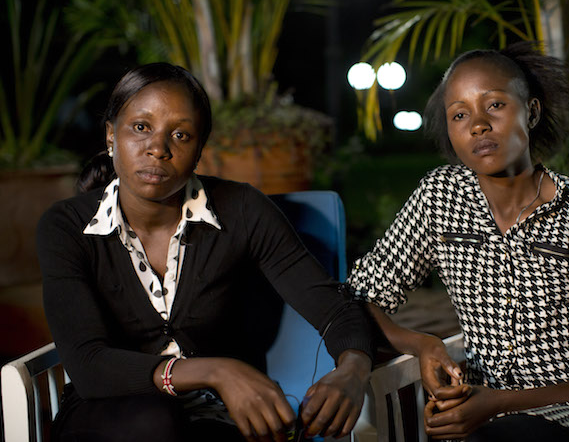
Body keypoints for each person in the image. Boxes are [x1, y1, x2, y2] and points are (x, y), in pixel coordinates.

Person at [347, 42, 569, 442]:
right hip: (486, 415)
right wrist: (421, 343)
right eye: (460, 114)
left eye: (495, 106)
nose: (478, 125)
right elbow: (360, 295)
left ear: (532, 111)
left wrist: (503, 402)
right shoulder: (440, 198)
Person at [37, 62, 373, 442]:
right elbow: (88, 363)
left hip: (214, 416)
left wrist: (353, 369)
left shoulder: (242, 210)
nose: (158, 149)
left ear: (199, 150)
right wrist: (220, 371)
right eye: (141, 127)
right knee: (155, 422)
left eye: (180, 134)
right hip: (106, 412)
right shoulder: (67, 226)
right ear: (112, 136)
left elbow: (335, 309)